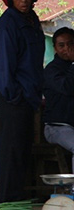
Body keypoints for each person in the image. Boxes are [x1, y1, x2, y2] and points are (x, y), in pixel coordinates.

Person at [0, 0, 45, 202]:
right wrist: (17, 98)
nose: (23, 0)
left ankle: (18, 201)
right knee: (12, 155)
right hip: (15, 101)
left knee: (22, 154)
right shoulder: (6, 26)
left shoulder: (32, 21)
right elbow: (1, 71)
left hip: (28, 100)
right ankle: (7, 206)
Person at [43, 27, 74, 172]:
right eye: (61, 45)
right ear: (55, 48)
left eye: (70, 44)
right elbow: (67, 88)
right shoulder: (51, 70)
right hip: (57, 127)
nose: (66, 48)